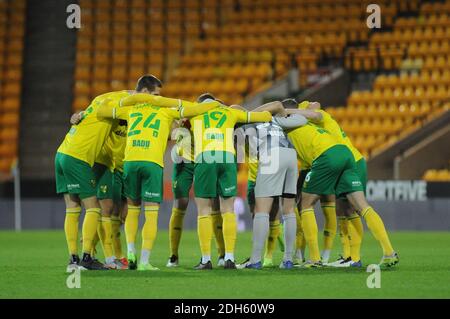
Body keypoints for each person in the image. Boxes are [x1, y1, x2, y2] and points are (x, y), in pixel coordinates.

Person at [97, 87, 222, 271]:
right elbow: (192, 112)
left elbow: (102, 110)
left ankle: (131, 250)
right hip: (156, 163)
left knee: (132, 209)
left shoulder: (132, 109)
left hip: (130, 161)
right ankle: (148, 261)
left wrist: (125, 97)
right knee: (153, 212)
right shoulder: (167, 110)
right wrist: (218, 106)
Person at [284, 100, 399, 268]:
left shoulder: (319, 117)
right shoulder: (309, 127)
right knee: (345, 209)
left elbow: (315, 107)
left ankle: (351, 257)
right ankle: (355, 256)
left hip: (348, 158)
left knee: (352, 208)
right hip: (348, 158)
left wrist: (290, 111)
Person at [189, 97, 273, 269]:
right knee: (228, 209)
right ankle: (229, 258)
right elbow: (264, 116)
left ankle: (206, 260)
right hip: (227, 158)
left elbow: (174, 116)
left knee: (203, 210)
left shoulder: (194, 112)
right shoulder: (229, 112)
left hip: (205, 157)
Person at [167, 93, 226, 268]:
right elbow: (172, 133)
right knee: (181, 203)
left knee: (213, 203)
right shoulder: (187, 113)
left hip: (205, 159)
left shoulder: (214, 115)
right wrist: (178, 124)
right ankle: (173, 255)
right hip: (184, 161)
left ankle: (222, 254)